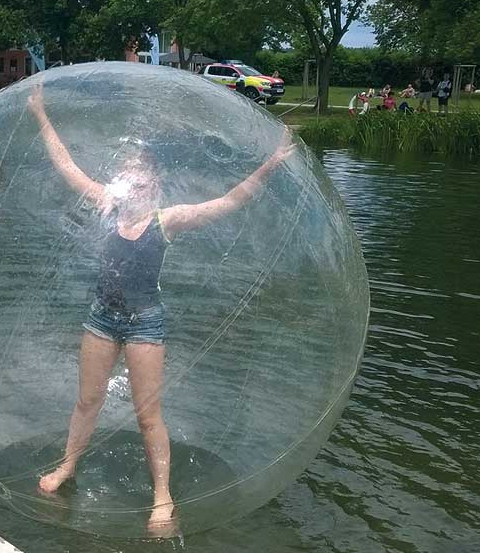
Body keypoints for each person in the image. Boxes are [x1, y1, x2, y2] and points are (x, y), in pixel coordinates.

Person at [27, 83, 293, 535]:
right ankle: (68, 467)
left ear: (154, 182)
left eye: (142, 174)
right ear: (121, 181)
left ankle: (162, 495)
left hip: (145, 323)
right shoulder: (107, 206)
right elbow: (65, 163)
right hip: (101, 318)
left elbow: (228, 202)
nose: (135, 180)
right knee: (87, 400)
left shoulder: (166, 220)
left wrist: (269, 165)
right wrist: (40, 112)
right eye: (128, 173)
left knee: (148, 414)